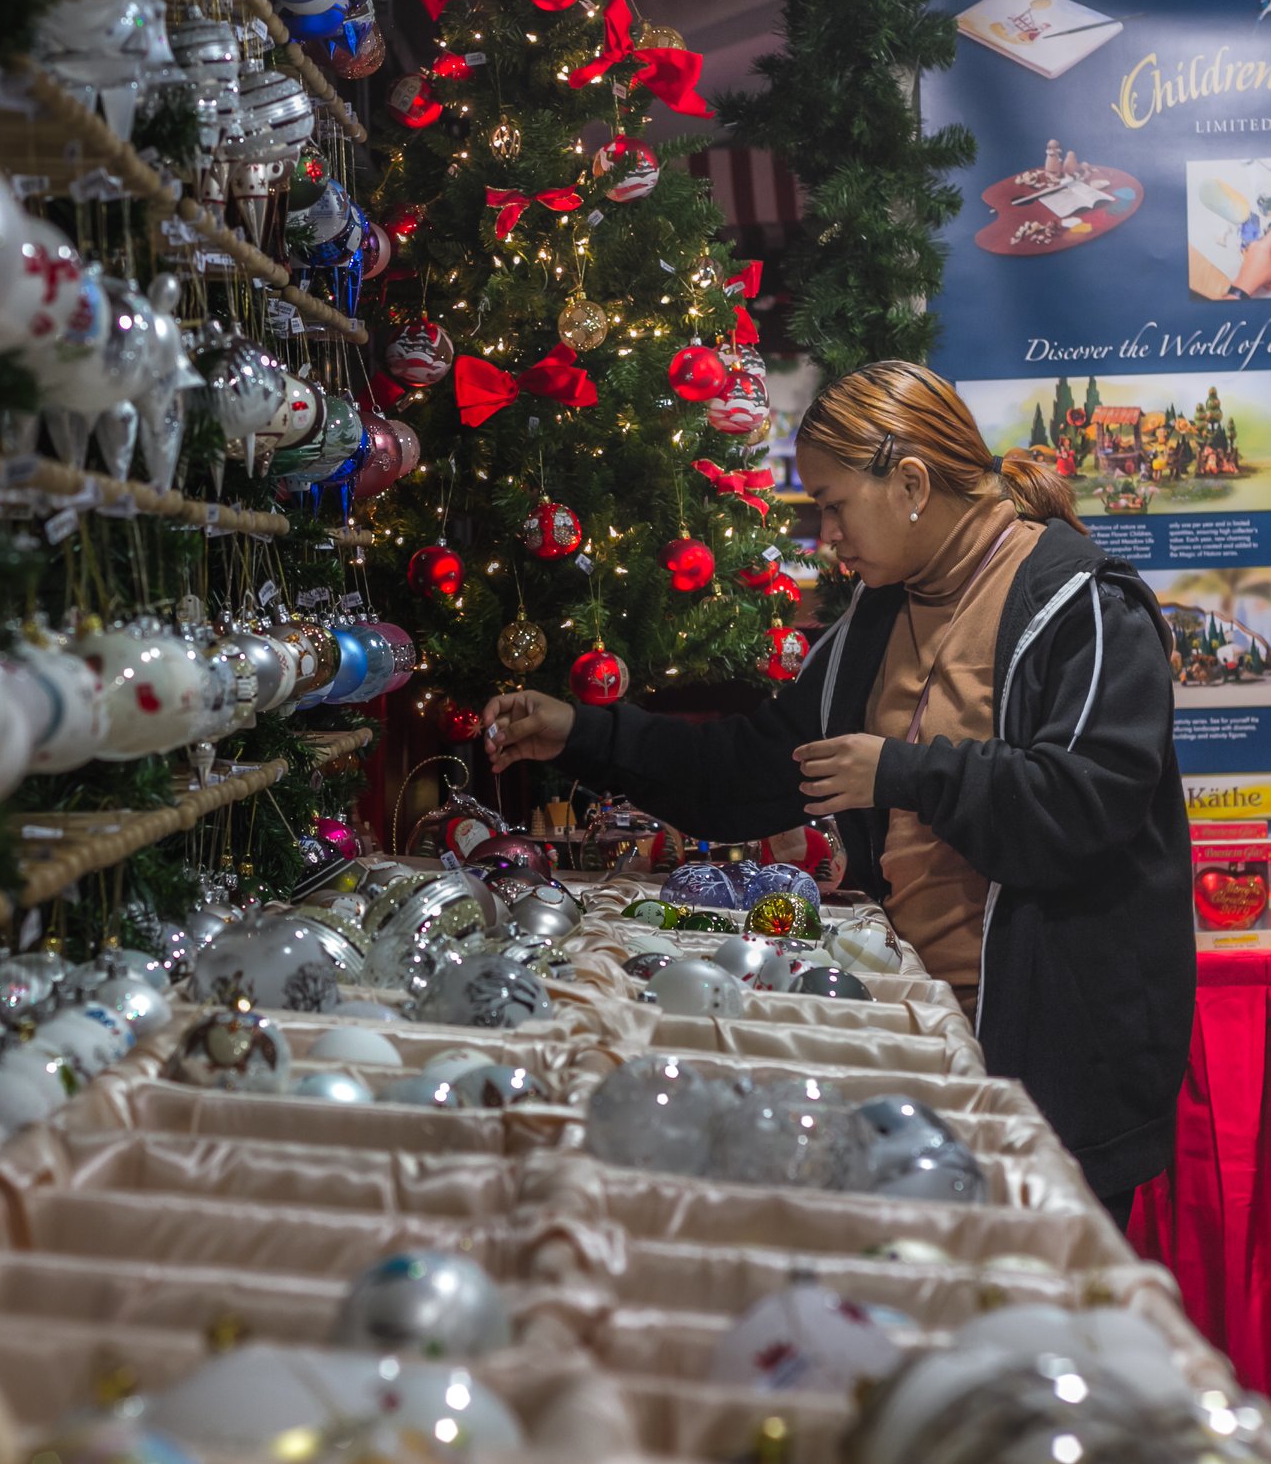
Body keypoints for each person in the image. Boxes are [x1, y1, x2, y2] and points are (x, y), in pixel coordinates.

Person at [482, 359, 1194, 1229]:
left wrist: (899, 771)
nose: (825, 536)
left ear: (909, 484)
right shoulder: (877, 615)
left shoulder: (1080, 602)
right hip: (927, 1037)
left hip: (1056, 1062)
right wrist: (585, 733)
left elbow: (1086, 805)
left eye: (832, 504)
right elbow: (749, 774)